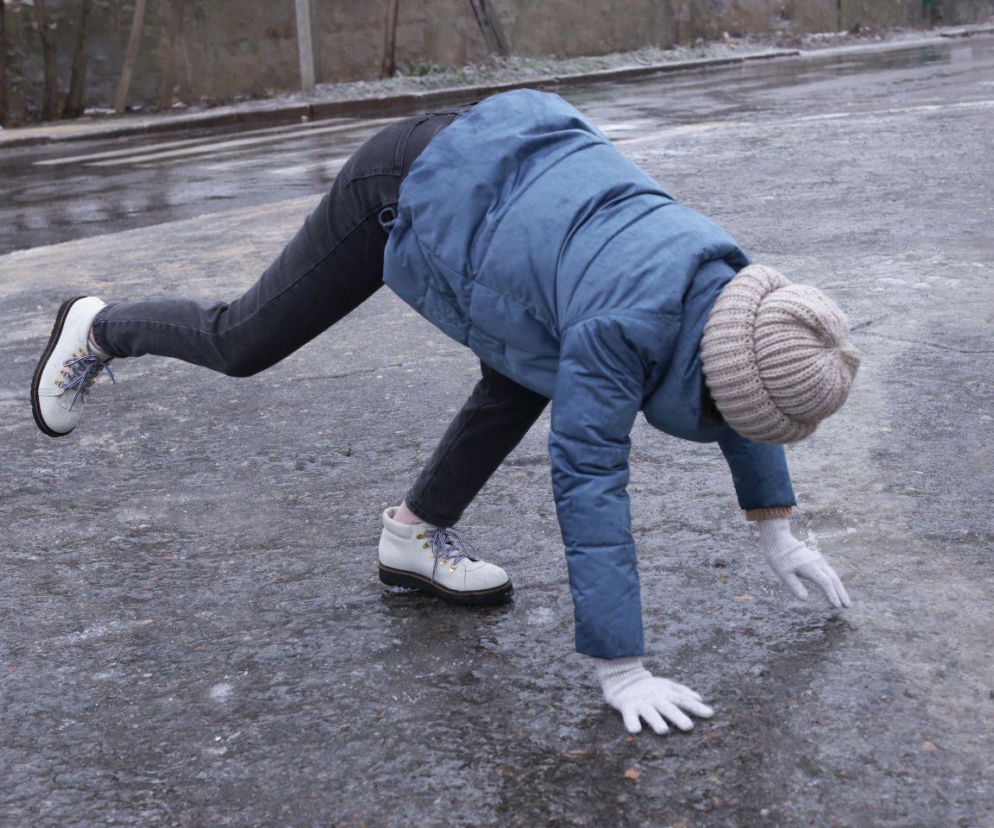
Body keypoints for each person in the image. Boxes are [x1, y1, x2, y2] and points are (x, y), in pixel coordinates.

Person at [31, 89, 860, 736]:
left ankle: (413, 533)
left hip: (504, 176)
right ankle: (100, 327)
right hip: (412, 184)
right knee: (246, 339)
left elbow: (753, 393)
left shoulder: (742, 297)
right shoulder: (625, 327)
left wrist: (776, 525)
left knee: (531, 365)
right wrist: (622, 668)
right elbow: (592, 485)